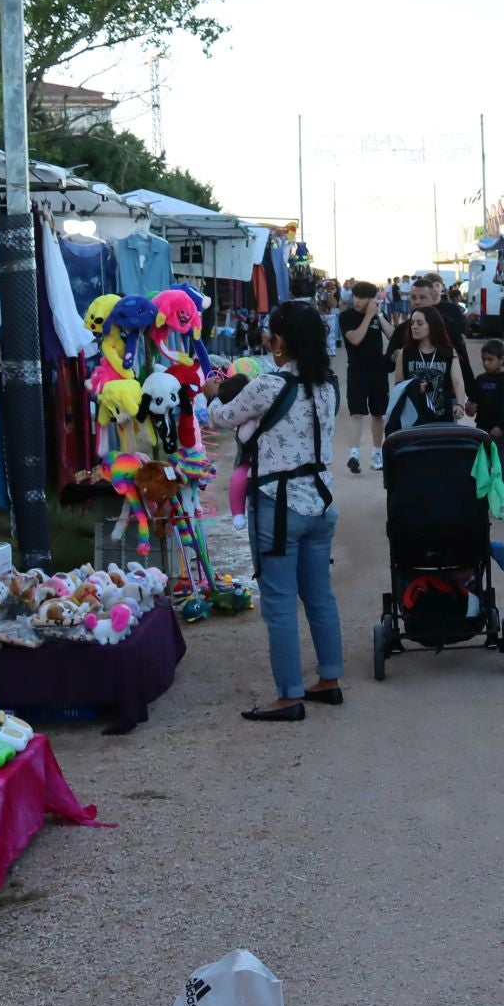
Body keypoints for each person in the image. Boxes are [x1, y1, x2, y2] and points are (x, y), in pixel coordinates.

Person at [205, 300, 344, 722]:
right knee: (319, 595)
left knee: (279, 603)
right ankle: (330, 678)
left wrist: (212, 394)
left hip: (278, 506)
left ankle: (288, 695)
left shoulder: (268, 384)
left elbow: (224, 419)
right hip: (320, 503)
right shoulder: (328, 386)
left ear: (280, 341)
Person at [339, 282, 392, 472]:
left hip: (378, 371)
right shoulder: (347, 317)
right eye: (355, 296)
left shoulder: (378, 316)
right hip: (357, 370)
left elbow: (393, 336)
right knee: (356, 413)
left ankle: (376, 454)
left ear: (371, 300)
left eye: (361, 297)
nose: (357, 301)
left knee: (379, 413)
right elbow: (355, 339)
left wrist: (377, 314)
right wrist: (368, 316)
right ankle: (354, 454)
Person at [394, 303, 468, 424]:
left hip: (443, 416)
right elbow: (398, 385)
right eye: (412, 323)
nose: (414, 327)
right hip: (413, 417)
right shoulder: (405, 352)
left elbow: (458, 381)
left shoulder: (448, 352)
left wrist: (460, 404)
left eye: (420, 323)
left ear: (433, 325)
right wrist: (413, 387)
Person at [474, 340, 504, 489]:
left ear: (501, 359)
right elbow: (474, 400)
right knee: (483, 467)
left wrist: (500, 425)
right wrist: (471, 407)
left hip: (502, 432)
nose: (486, 363)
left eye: (490, 360)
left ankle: (501, 499)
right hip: (482, 429)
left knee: (501, 467)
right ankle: (483, 501)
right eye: (484, 360)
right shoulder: (480, 380)